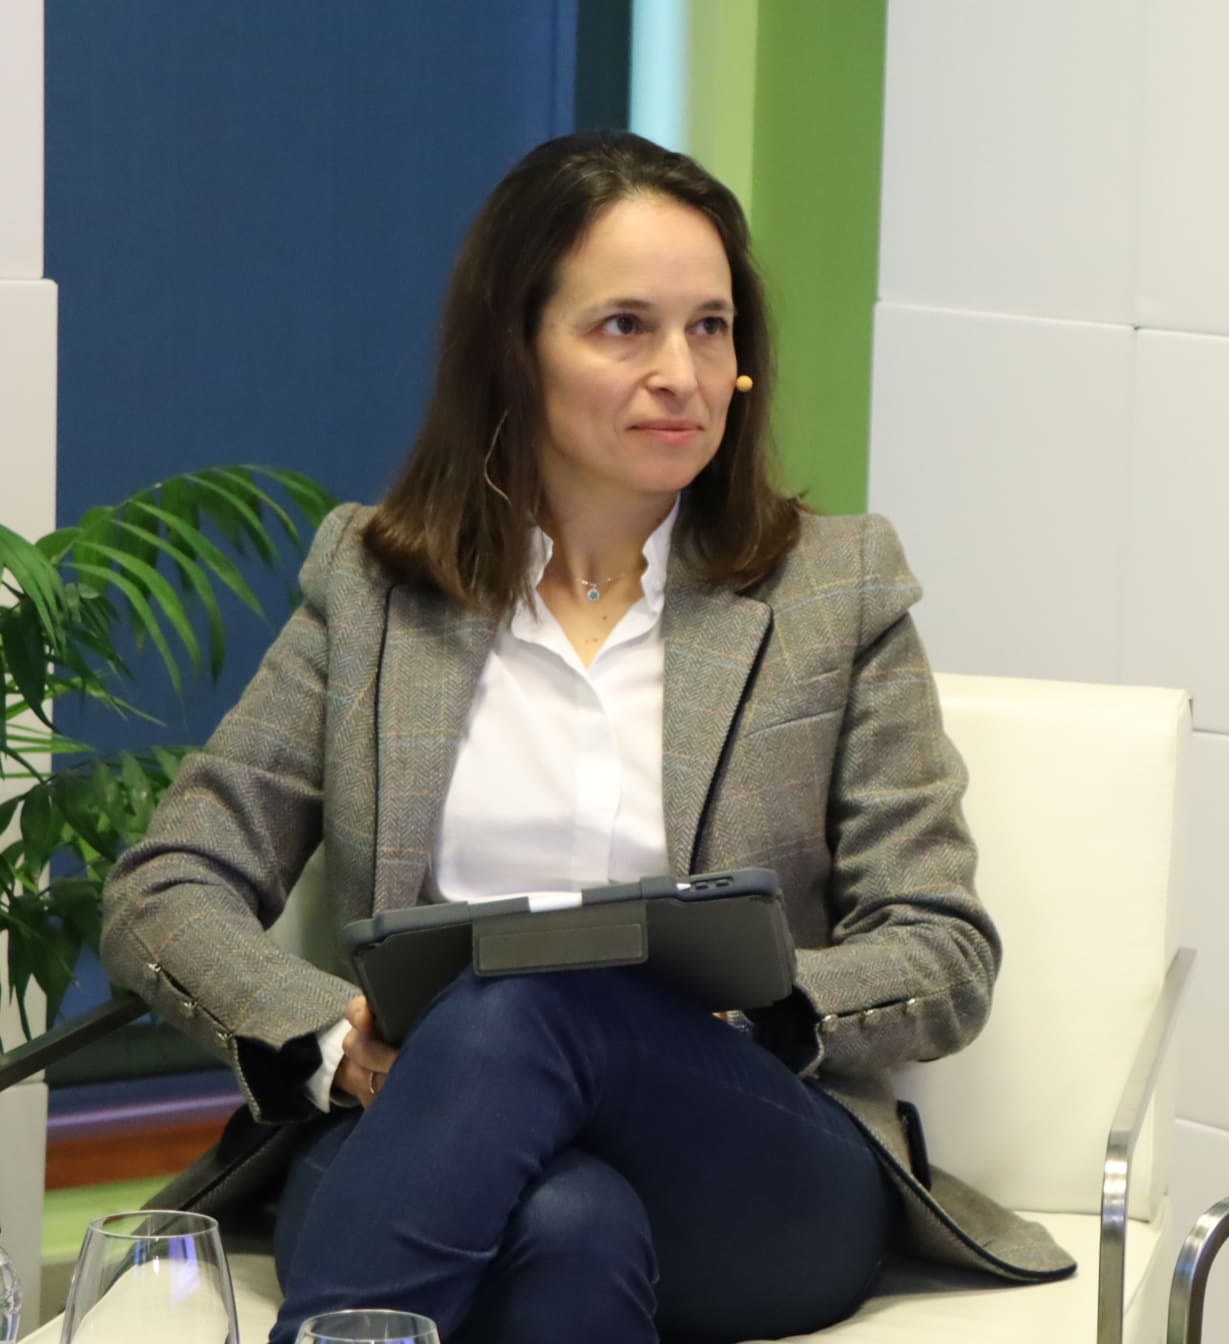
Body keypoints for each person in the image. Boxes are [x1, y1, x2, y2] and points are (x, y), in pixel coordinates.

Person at [98, 130, 1070, 1344]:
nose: (683, 372)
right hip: (419, 1138)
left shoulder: (833, 590)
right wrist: (334, 1039)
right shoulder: (376, 585)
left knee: (532, 1002)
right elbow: (168, 884)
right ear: (516, 353)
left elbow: (940, 946)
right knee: (571, 1226)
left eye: (711, 328)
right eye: (626, 327)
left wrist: (756, 1010)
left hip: (748, 1165)